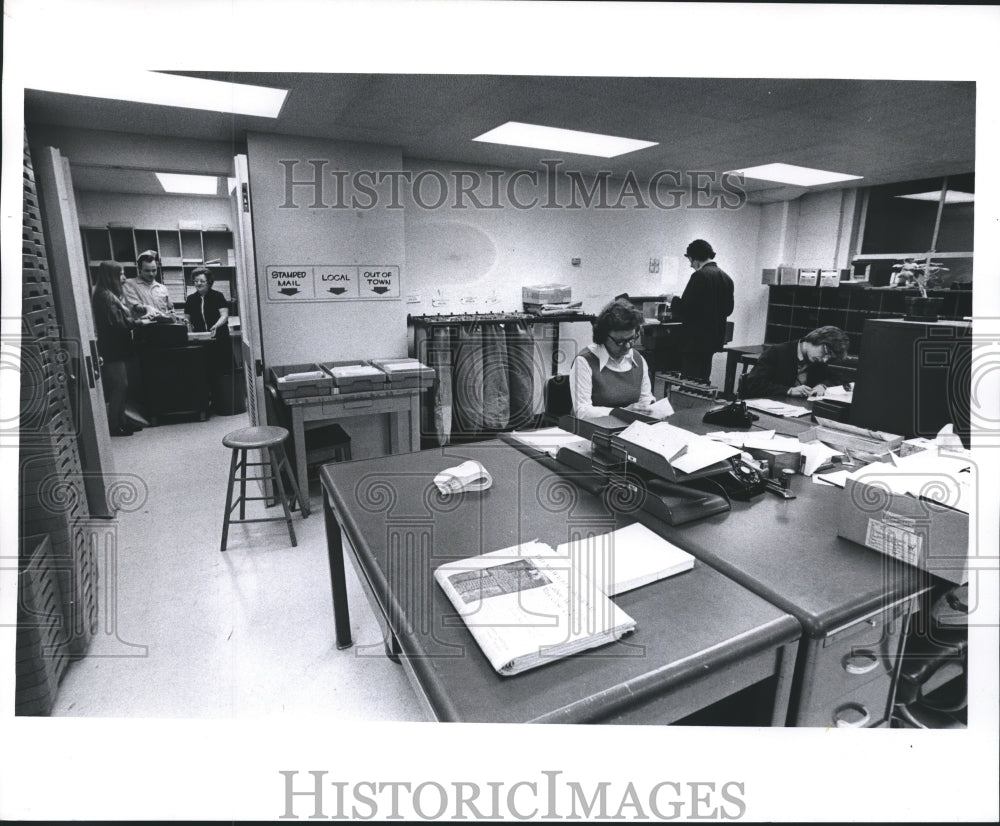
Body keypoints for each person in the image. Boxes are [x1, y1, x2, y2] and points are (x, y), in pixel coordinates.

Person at [569, 299, 655, 419]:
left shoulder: (638, 359)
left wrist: (648, 408)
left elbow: (646, 398)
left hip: (629, 428)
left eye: (631, 339)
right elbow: (582, 411)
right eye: (620, 342)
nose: (628, 346)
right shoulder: (584, 362)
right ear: (603, 337)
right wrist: (621, 413)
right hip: (594, 429)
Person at [670, 239, 735, 382]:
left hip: (694, 342)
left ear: (695, 258)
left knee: (689, 383)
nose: (691, 265)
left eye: (690, 261)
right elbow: (728, 310)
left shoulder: (699, 276)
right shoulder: (727, 278)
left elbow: (685, 310)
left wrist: (672, 300)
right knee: (703, 381)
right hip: (713, 341)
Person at [92, 261, 141, 436]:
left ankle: (122, 420)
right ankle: (114, 425)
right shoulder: (104, 296)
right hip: (112, 348)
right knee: (120, 386)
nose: (124, 278)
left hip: (116, 347)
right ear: (110, 276)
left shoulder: (108, 294)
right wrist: (139, 322)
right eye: (121, 274)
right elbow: (118, 324)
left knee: (123, 386)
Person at [739, 325, 850, 399]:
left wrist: (823, 386)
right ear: (816, 339)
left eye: (829, 357)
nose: (824, 360)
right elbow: (754, 384)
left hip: (797, 412)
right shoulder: (776, 352)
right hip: (767, 412)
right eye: (825, 352)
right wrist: (789, 390)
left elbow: (840, 379)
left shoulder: (818, 361)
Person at [122, 250, 173, 318]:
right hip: (143, 327)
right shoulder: (129, 284)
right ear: (139, 269)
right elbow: (135, 306)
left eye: (154, 270)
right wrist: (147, 308)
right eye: (147, 271)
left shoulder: (162, 288)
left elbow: (171, 309)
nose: (151, 274)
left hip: (163, 326)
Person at [183, 267, 230, 336]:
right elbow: (187, 318)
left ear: (209, 282)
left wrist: (216, 326)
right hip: (200, 337)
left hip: (219, 335)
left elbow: (224, 316)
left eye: (202, 281)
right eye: (196, 281)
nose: (198, 283)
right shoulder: (190, 299)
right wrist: (186, 322)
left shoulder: (218, 296)